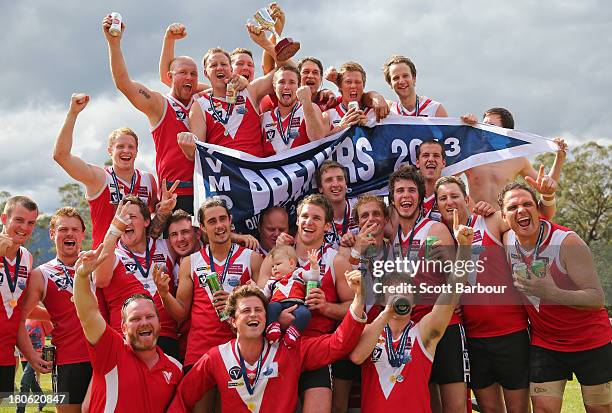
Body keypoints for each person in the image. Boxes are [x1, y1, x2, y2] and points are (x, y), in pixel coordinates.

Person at [167, 269, 368, 412]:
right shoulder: (216, 357)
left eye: (259, 310)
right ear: (233, 320)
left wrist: (359, 298)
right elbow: (184, 397)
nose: (253, 315)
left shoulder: (291, 348)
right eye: (246, 311)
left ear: (267, 316)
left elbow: (338, 344)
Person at [500, 182, 612, 413]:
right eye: (512, 207)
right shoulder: (507, 240)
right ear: (503, 216)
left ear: (537, 210)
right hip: (546, 343)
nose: (520, 210)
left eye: (527, 204)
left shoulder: (567, 242)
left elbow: (597, 298)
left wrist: (552, 294)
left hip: (591, 341)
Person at [350, 209, 474, 412]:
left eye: (405, 290)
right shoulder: (371, 331)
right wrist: (387, 312)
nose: (399, 294)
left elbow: (453, 290)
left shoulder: (424, 331)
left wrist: (465, 249)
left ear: (415, 301)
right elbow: (356, 357)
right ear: (382, 298)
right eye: (393, 289)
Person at [154, 198, 263, 411]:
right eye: (212, 221)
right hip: (199, 351)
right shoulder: (190, 262)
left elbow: (260, 309)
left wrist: (235, 301)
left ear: (231, 221)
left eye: (223, 219)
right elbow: (181, 314)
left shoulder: (252, 259)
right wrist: (164, 293)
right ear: (202, 228)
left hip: (238, 349)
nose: (219, 225)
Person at [387, 166, 469, 412]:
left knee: (454, 406)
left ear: (420, 197)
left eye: (412, 190)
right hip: (412, 331)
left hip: (445, 327)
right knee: (428, 404)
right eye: (400, 191)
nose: (405, 196)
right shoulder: (394, 242)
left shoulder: (435, 229)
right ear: (392, 199)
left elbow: (459, 277)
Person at [102, 14, 197, 214]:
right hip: (174, 193)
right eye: (183, 73)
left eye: (194, 74)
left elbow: (220, 88)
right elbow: (124, 83)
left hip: (206, 188)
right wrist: (114, 44)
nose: (189, 77)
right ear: (170, 77)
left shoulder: (203, 101)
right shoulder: (159, 104)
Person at [269, 194, 353, 413]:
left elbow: (354, 308)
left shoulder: (336, 260)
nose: (309, 222)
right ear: (296, 220)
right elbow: (258, 299)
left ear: (326, 226)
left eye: (316, 218)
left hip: (316, 349)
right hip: (278, 348)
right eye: (304, 216)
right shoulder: (276, 256)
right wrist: (277, 317)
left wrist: (326, 307)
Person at [73, 246, 183, 412]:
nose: (144, 322)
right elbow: (88, 314)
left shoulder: (175, 368)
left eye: (150, 317)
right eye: (136, 319)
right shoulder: (111, 350)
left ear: (159, 323)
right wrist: (81, 277)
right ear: (123, 328)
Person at [53, 93, 160, 248]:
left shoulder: (148, 180)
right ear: (110, 150)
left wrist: (163, 210)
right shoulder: (99, 178)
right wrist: (73, 113)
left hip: (140, 260)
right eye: (120, 146)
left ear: (137, 151)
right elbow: (61, 156)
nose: (126, 151)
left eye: (131, 147)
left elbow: (151, 223)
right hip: (106, 260)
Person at [20, 207, 94, 412]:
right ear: (52, 234)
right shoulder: (41, 274)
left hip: (104, 357)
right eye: (63, 229)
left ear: (82, 234)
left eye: (74, 229)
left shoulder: (96, 266)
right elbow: (20, 315)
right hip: (70, 362)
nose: (69, 234)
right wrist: (31, 356)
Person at [93, 195, 180, 359]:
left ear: (146, 221)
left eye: (132, 216)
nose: (126, 222)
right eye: (121, 217)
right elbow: (100, 280)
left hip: (166, 338)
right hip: (126, 341)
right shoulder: (111, 253)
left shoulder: (166, 246)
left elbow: (198, 240)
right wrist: (113, 230)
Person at [334, 195, 391, 413]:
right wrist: (357, 251)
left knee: (379, 399)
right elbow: (345, 294)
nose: (371, 219)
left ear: (385, 219)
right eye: (364, 215)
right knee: (340, 404)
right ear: (357, 222)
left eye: (376, 214)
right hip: (351, 331)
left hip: (383, 334)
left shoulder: (396, 250)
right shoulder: (346, 251)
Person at [461, 108, 567, 208]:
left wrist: (560, 157)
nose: (484, 128)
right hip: (475, 220)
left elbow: (548, 186)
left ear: (505, 131)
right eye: (483, 125)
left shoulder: (518, 160)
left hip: (503, 221)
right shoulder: (471, 155)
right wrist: (463, 128)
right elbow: (446, 174)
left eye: (490, 125)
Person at [0, 196, 49, 395]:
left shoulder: (27, 258)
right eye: (19, 220)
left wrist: (31, 355)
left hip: (5, 355)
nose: (24, 228)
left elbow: (17, 313)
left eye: (31, 223)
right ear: (4, 219)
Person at [261, 65, 327, 156]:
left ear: (299, 86)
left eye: (292, 82)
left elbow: (318, 138)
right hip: (271, 169)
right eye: (281, 82)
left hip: (302, 169)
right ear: (274, 87)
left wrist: (306, 102)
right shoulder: (264, 118)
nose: (286, 87)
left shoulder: (310, 107)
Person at [263, 245, 316, 347]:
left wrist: (314, 266)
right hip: (278, 304)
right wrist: (253, 288)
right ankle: (273, 327)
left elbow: (313, 277)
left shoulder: (298, 273)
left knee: (305, 314)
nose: (274, 268)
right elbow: (264, 295)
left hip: (298, 304)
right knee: (271, 307)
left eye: (278, 264)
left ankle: (293, 333)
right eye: (272, 266)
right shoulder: (272, 281)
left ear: (291, 263)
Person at [383, 55, 448, 117]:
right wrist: (376, 96)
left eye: (405, 76)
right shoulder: (389, 112)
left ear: (414, 78)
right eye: (396, 78)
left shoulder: (435, 110)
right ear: (390, 84)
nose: (401, 81)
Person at [316, 160, 359, 249]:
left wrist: (359, 240)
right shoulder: (314, 215)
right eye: (329, 180)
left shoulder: (360, 207)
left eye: (340, 179)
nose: (335, 184)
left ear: (346, 184)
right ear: (320, 188)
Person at [16, 318, 52, 413]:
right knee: (31, 382)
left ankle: (20, 410)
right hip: (24, 355)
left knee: (24, 383)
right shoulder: (23, 318)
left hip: (37, 355)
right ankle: (42, 400)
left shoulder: (41, 318)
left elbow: (52, 330)